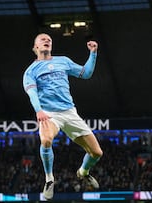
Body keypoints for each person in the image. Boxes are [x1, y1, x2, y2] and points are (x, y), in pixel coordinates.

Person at [23, 33, 103, 200]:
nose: (47, 40)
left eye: (49, 39)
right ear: (35, 46)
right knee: (46, 140)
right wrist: (39, 110)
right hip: (49, 113)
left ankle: (83, 171)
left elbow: (86, 73)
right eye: (42, 39)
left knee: (96, 153)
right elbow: (32, 94)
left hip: (69, 112)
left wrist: (93, 53)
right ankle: (49, 179)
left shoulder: (63, 61)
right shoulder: (30, 71)